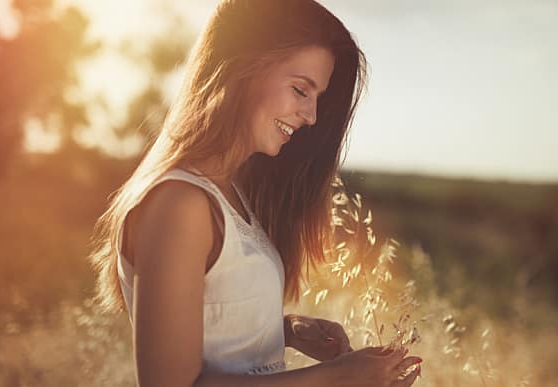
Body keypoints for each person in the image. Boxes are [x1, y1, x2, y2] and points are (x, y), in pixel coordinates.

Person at [87, 0, 422, 386]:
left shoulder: (231, 195)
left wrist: (286, 331)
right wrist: (337, 378)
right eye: (300, 89)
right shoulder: (180, 203)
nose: (311, 116)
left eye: (317, 98)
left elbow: (214, 330)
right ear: (240, 69)